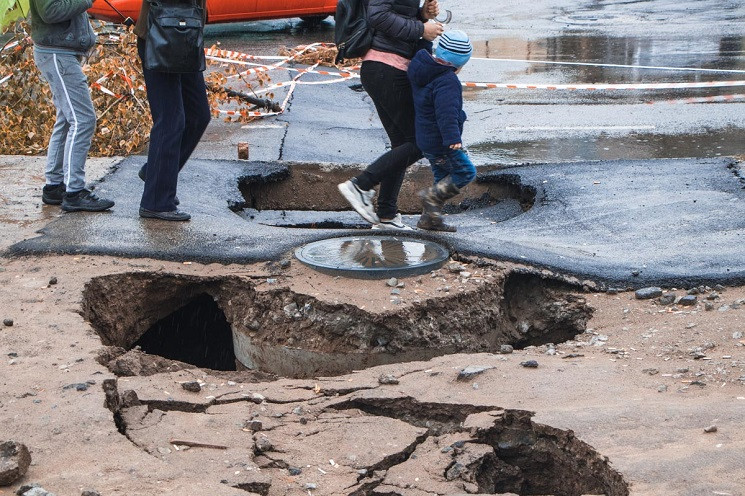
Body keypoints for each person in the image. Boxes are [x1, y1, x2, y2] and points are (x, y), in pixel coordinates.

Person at [337, 0, 443, 230]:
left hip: (386, 68)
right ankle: (360, 185)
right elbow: (378, 16)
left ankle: (387, 216)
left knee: (402, 144)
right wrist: (421, 29)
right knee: (420, 140)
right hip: (386, 68)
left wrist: (421, 14)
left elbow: (395, 13)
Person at [31, 0, 115, 212]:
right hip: (57, 53)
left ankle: (54, 186)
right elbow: (50, 11)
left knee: (68, 119)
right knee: (83, 120)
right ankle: (74, 192)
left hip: (61, 51)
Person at [134, 0, 211, 221]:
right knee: (170, 119)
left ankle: (155, 174)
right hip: (160, 35)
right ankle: (156, 202)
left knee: (198, 115)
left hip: (186, 34)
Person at [407, 30, 475, 232]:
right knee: (465, 172)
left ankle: (429, 220)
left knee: (441, 176)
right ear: (460, 62)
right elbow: (447, 112)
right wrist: (452, 137)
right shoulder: (448, 81)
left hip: (426, 138)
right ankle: (432, 197)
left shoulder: (422, 66)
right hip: (442, 141)